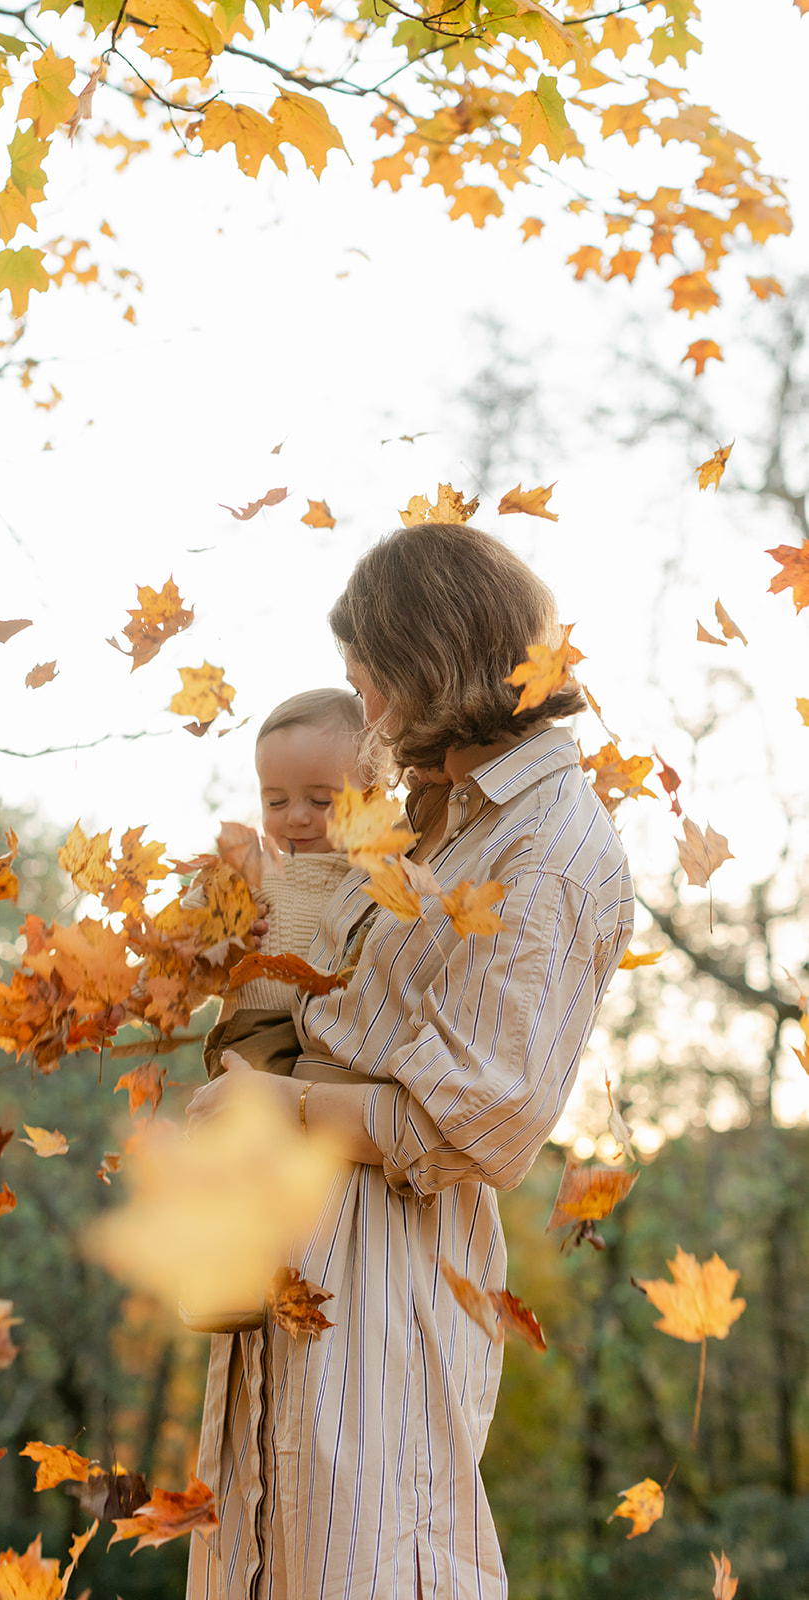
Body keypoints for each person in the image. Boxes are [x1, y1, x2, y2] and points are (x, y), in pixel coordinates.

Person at [185, 522, 636, 1600]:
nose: (367, 717)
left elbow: (476, 1121)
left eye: (369, 686)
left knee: (377, 1559)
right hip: (294, 1246)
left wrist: (275, 1102)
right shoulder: (434, 818)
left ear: (429, 665)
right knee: (266, 1551)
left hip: (385, 1268)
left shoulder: (547, 845)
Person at [198, 687, 369, 1083]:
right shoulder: (247, 868)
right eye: (275, 802)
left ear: (374, 793)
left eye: (321, 801)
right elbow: (176, 949)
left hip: (345, 1037)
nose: (295, 817)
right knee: (253, 1116)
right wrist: (209, 950)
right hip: (262, 1033)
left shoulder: (381, 874)